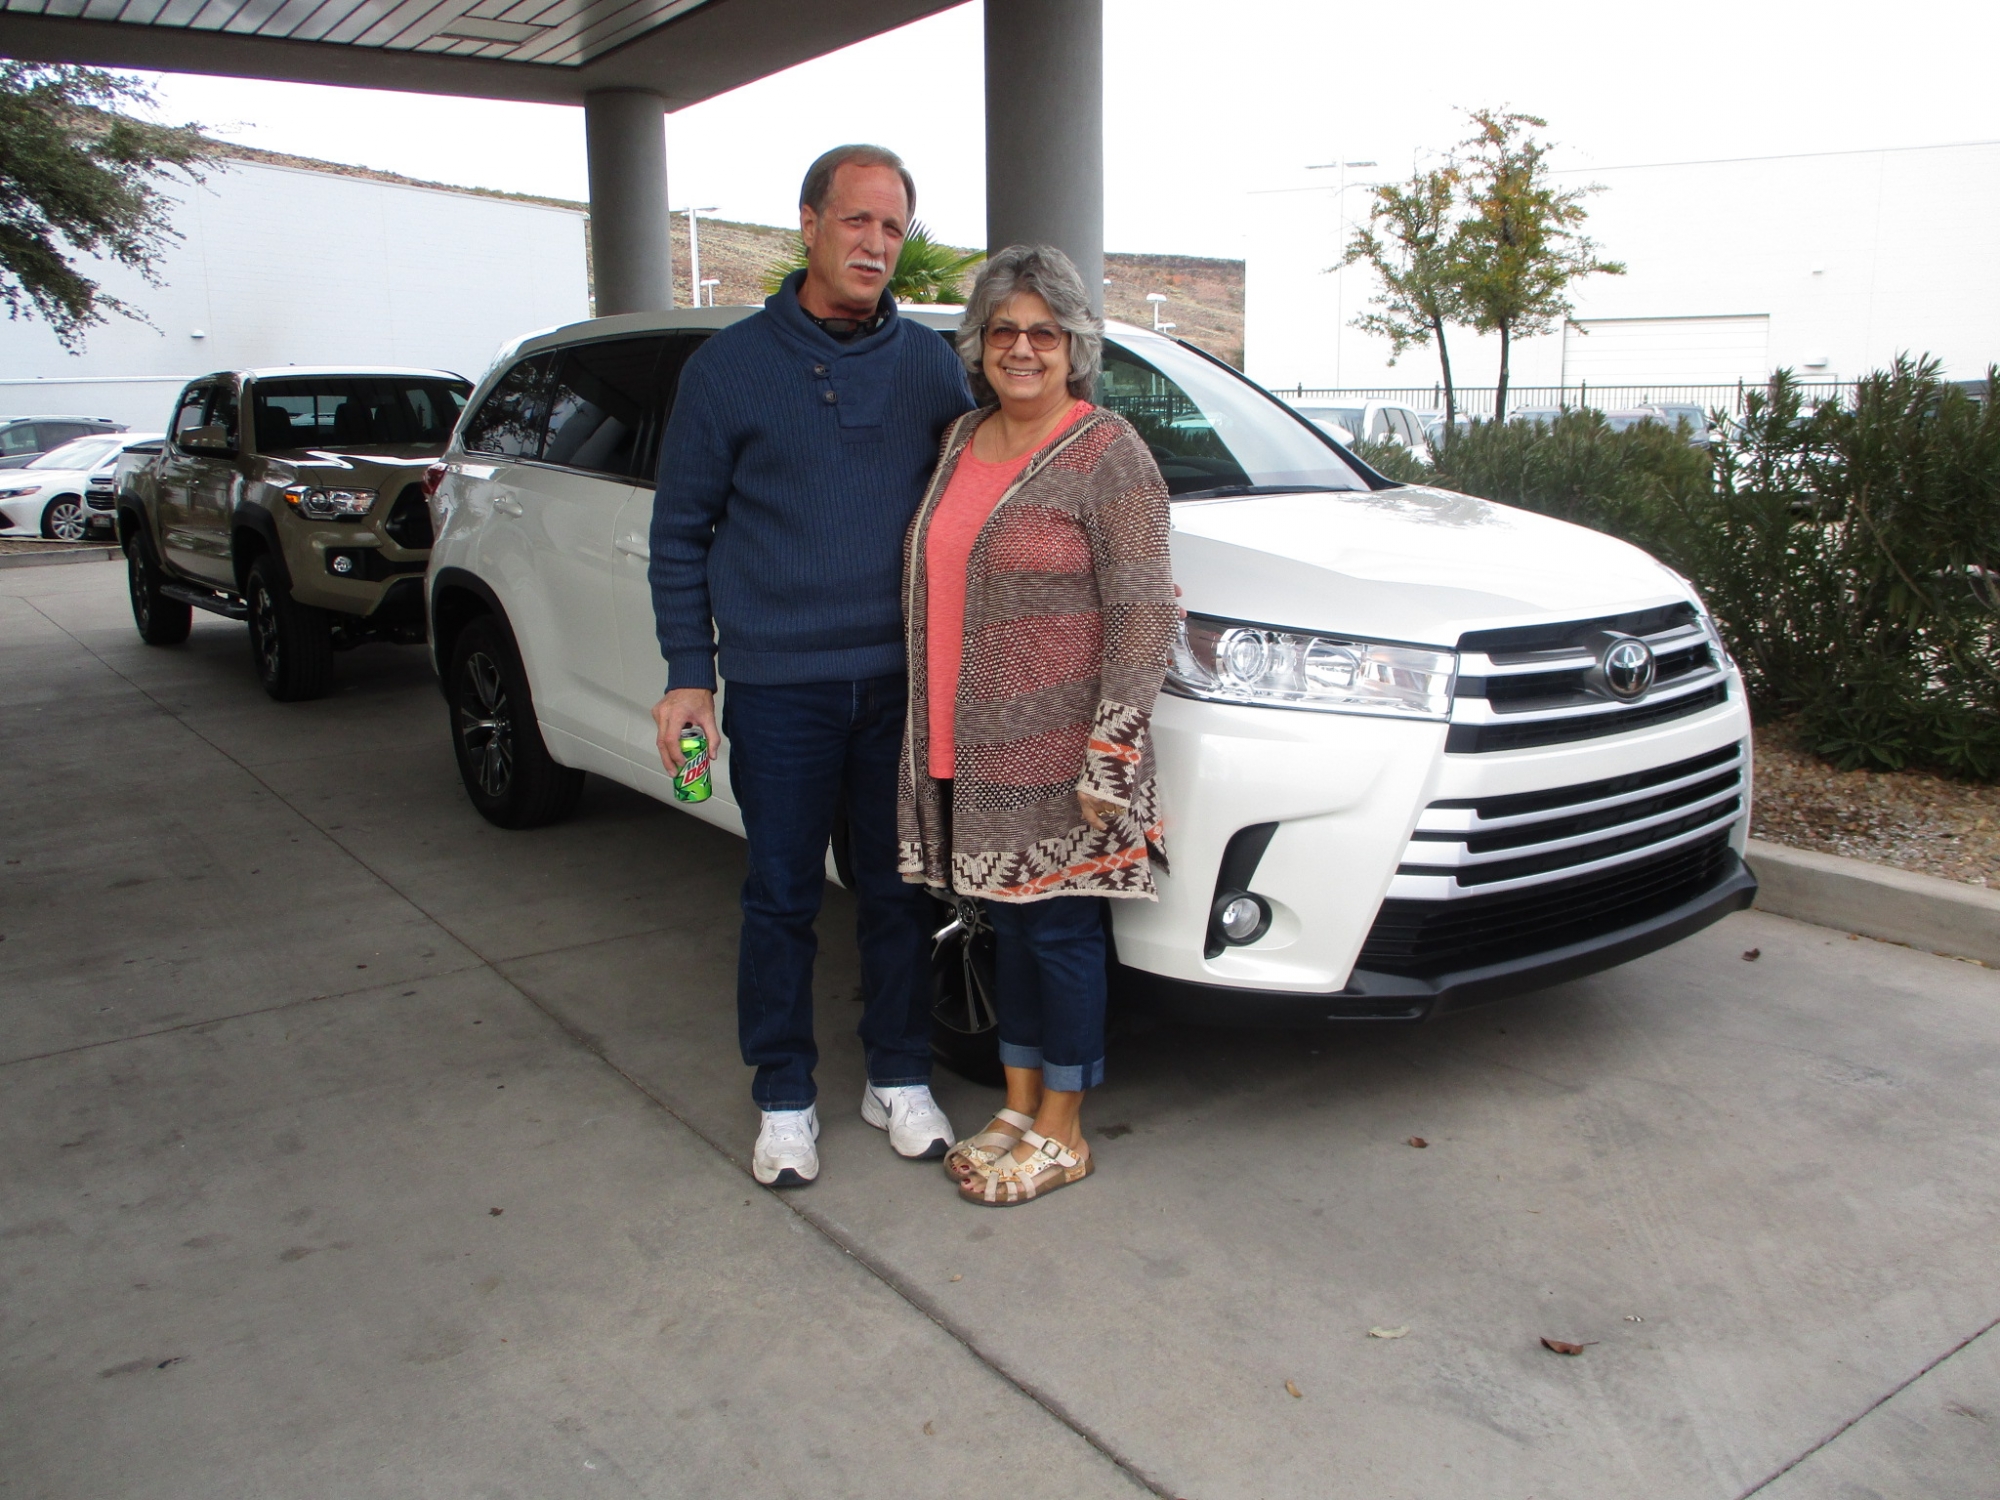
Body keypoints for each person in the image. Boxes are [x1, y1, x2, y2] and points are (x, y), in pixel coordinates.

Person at [649, 145, 976, 1187]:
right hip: (781, 685)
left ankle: (898, 1074)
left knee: (897, 892)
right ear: (809, 224)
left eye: (893, 228)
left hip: (899, 685)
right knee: (782, 897)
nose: (876, 244)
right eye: (856, 221)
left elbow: (976, 499)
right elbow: (679, 534)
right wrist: (688, 674)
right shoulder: (728, 368)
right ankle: (784, 1094)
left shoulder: (929, 366)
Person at [896, 244, 1176, 1207]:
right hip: (971, 745)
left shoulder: (1107, 451)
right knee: (1006, 931)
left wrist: (1114, 747)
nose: (1023, 349)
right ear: (979, 344)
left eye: (1045, 334)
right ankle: (1020, 1107)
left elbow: (1146, 609)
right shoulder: (961, 438)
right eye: (1005, 331)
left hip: (1067, 752)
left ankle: (1065, 1128)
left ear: (1074, 347)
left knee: (1059, 933)